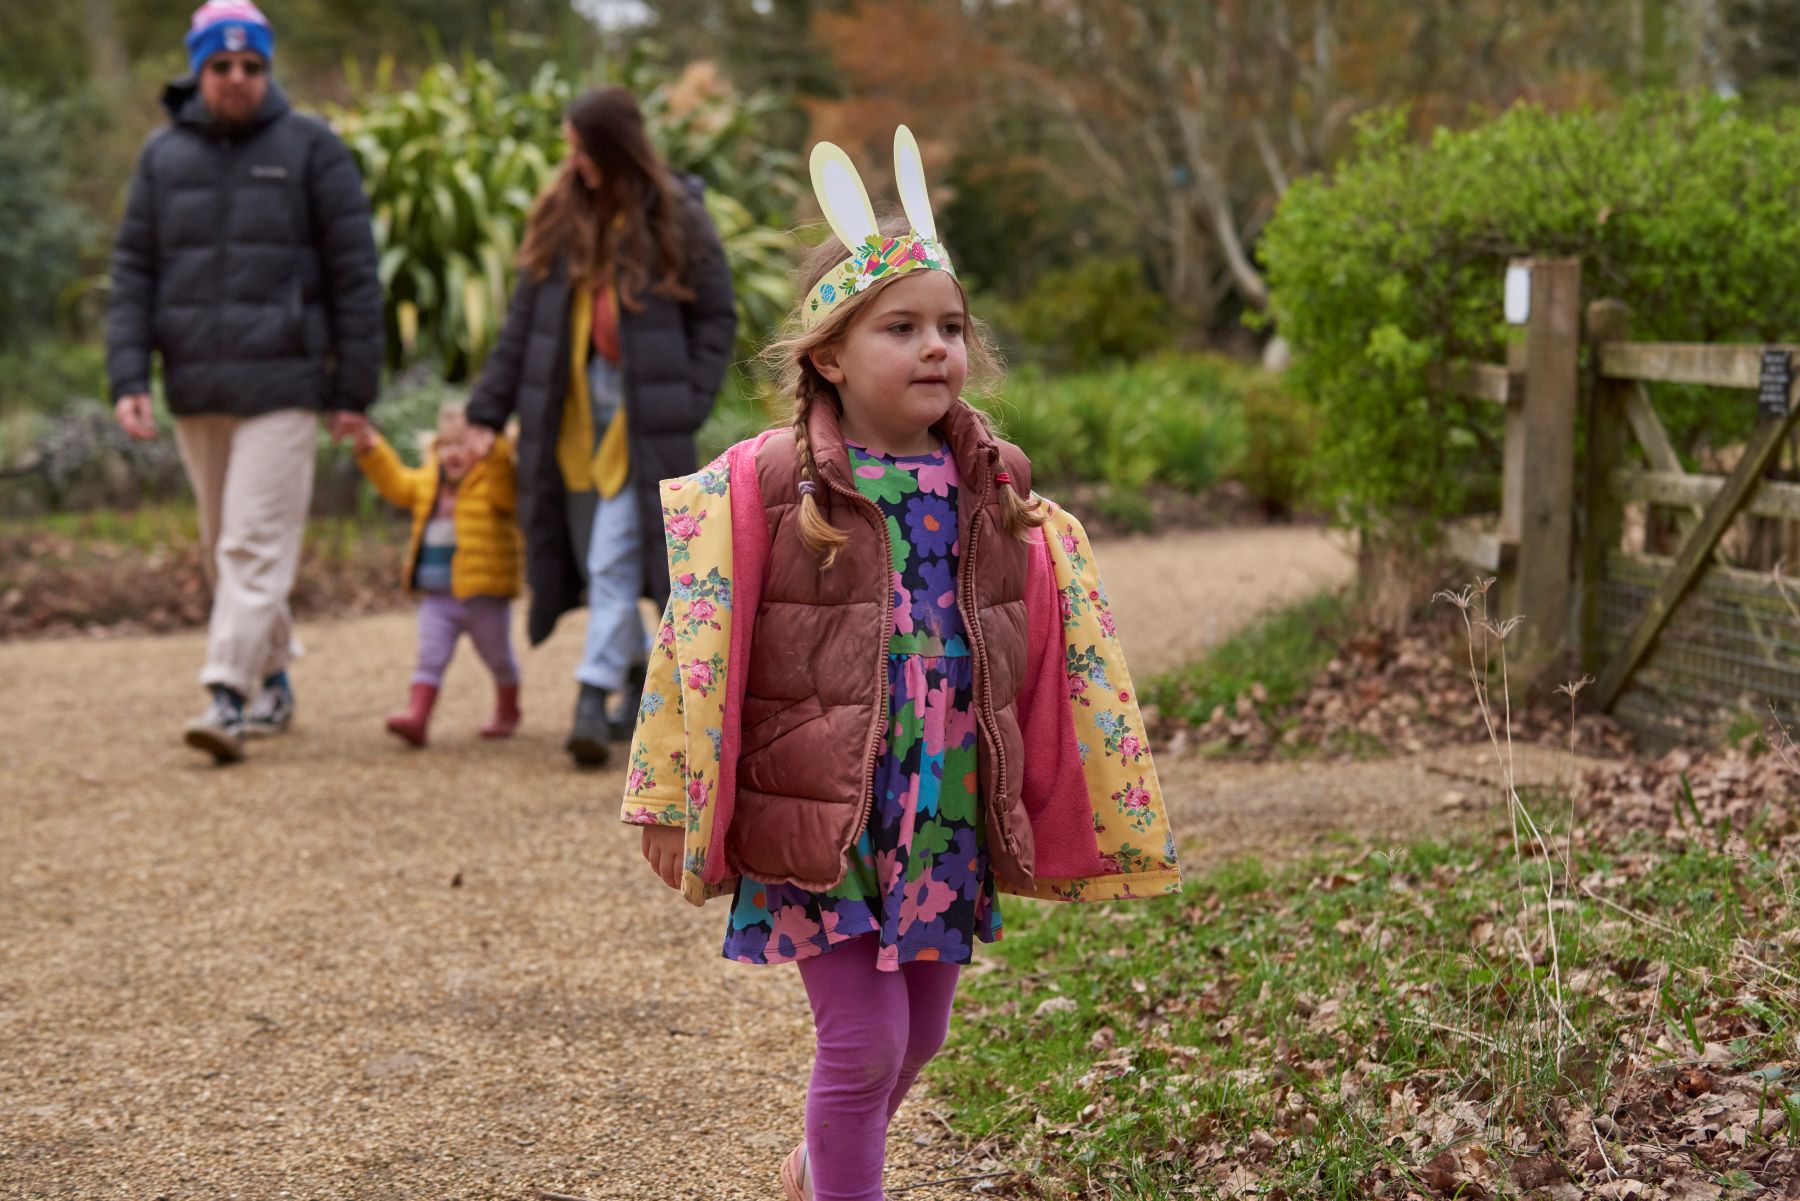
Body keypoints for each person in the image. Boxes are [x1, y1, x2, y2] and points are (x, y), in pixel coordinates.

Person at [619, 129, 1183, 1201]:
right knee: (864, 1043)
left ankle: (813, 1168)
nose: (936, 348)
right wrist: (664, 788)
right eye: (903, 328)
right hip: (823, 808)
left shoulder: (994, 487)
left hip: (943, 807)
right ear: (829, 354)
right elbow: (691, 638)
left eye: (951, 328)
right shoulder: (774, 483)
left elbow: (1055, 645)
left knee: (920, 1037)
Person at [107, 0, 383, 764]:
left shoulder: (311, 148)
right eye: (222, 65)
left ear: (268, 69)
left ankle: (225, 696)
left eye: (252, 65)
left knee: (250, 544)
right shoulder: (161, 159)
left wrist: (352, 389)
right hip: (196, 385)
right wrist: (129, 372)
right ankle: (275, 678)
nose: (237, 78)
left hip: (286, 386)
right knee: (223, 548)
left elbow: (355, 274)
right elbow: (133, 272)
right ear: (199, 68)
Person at [466, 86, 737, 768]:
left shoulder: (677, 215)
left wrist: (689, 400)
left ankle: (589, 698)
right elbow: (522, 327)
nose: (573, 160)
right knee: (600, 557)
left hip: (642, 417)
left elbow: (716, 317)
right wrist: (484, 414)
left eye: (582, 147)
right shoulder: (561, 215)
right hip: (571, 416)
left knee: (614, 556)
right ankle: (637, 689)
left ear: (612, 147)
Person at [353, 405, 522, 747]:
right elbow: (397, 484)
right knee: (430, 657)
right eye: (446, 445)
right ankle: (417, 717)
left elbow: (509, 491)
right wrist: (373, 451)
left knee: (498, 657)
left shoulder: (493, 482)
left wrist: (497, 454)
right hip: (438, 597)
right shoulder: (427, 483)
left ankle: (508, 708)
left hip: (484, 596)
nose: (453, 453)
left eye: (463, 445)